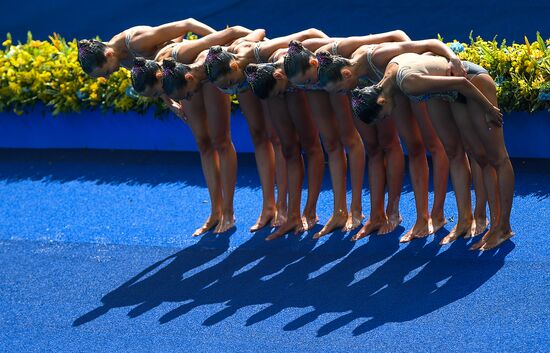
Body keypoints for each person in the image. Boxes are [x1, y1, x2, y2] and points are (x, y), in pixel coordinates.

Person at [350, 52, 514, 250]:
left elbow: (461, 82)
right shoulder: (389, 77)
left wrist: (488, 108)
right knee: (468, 153)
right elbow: (424, 53)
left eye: (383, 116)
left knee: (496, 157)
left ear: (382, 102)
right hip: (447, 90)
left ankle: (502, 226)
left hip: (470, 81)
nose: (387, 118)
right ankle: (465, 220)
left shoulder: (408, 83)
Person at [204, 29, 328, 240]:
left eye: (229, 83)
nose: (229, 88)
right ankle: (275, 209)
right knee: (276, 142)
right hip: (265, 82)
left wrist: (327, 49)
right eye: (225, 87)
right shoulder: (235, 76)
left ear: (235, 66)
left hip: (289, 79)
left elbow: (266, 32)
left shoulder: (254, 51)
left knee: (303, 143)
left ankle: (302, 210)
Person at [77, 18, 217, 78]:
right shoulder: (120, 58)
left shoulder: (138, 41)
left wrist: (226, 43)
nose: (108, 77)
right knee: (203, 139)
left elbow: (188, 24)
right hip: (188, 79)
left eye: (106, 72)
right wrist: (172, 104)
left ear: (108, 54)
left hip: (198, 61)